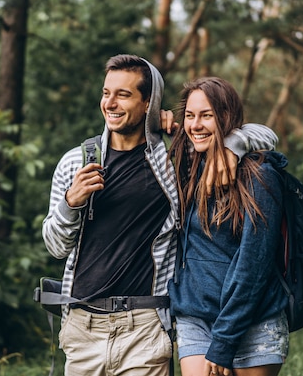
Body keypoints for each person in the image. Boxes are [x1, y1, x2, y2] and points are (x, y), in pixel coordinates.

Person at [42, 55, 278, 376]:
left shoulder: (173, 159)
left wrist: (232, 144)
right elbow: (55, 247)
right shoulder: (76, 162)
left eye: (123, 94)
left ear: (148, 103)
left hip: (145, 325)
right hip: (83, 326)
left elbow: (264, 135)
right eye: (106, 92)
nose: (109, 103)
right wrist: (71, 202)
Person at [168, 77, 289, 376]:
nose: (195, 125)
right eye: (190, 115)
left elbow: (254, 266)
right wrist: (157, 118)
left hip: (254, 319)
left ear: (226, 118)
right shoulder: (187, 165)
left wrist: (224, 341)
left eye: (206, 115)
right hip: (195, 317)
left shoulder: (259, 176)